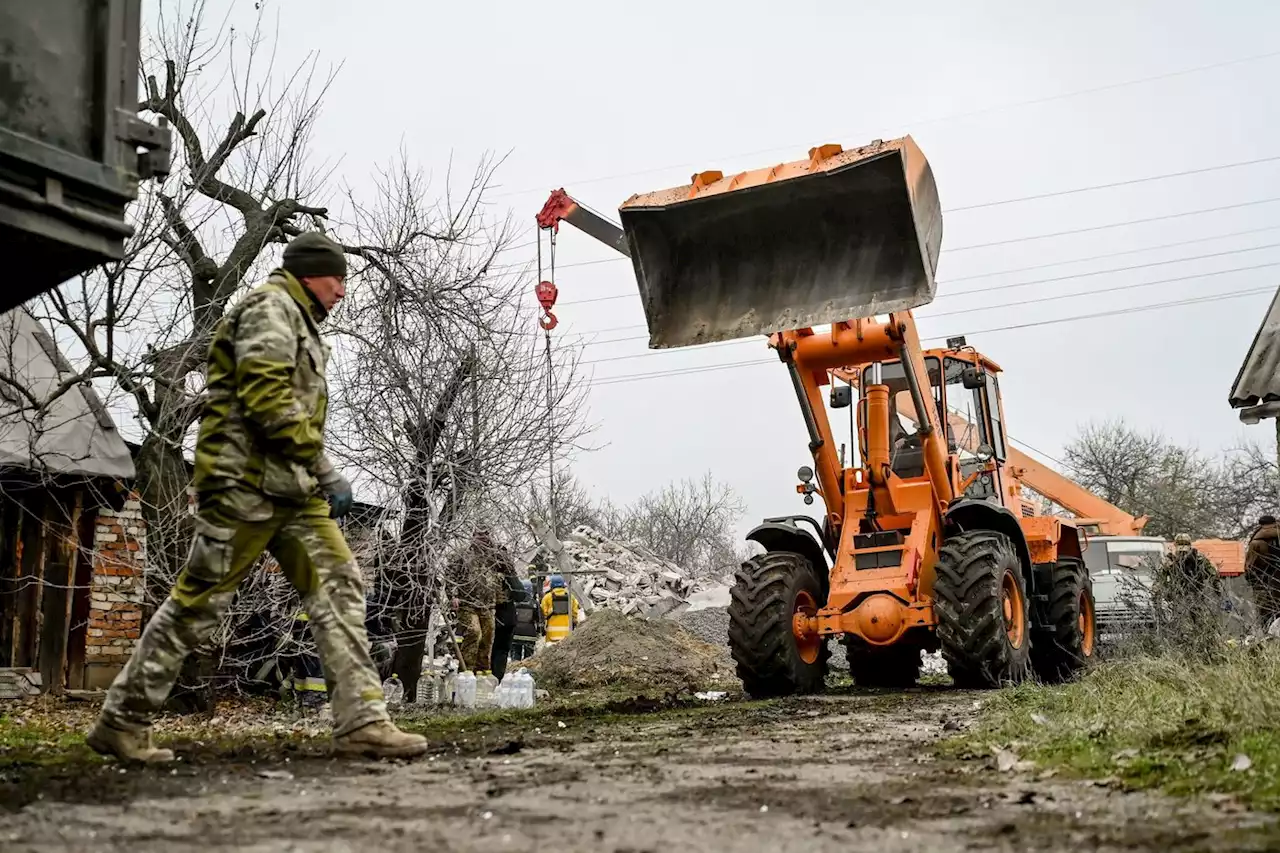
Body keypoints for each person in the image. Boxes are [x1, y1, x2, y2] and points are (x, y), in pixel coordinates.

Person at [86, 232, 427, 763]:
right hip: (244, 485)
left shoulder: (300, 320)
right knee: (198, 605)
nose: (342, 290)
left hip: (291, 492)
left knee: (340, 587)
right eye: (337, 277)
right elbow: (266, 396)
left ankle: (362, 720)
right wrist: (324, 465)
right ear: (311, 274)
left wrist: (309, 473)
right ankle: (121, 721)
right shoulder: (270, 310)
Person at [448, 530, 500, 673]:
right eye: (479, 535)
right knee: (474, 632)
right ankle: (467, 671)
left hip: (487, 605)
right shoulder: (462, 554)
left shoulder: (492, 556)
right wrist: (453, 595)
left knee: (488, 637)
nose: (483, 538)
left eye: (485, 535)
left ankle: (482, 671)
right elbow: (450, 576)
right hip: (467, 604)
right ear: (473, 536)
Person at [1155, 533, 1223, 641]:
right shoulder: (1199, 558)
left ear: (1175, 544)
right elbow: (1213, 575)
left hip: (1178, 597)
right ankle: (1203, 644)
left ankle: (1185, 645)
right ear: (1190, 544)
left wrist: (1158, 594)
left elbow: (1160, 580)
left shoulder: (1169, 560)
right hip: (1196, 595)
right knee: (1200, 623)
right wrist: (1218, 591)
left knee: (1181, 625)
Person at [490, 548, 529, 681]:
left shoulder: (491, 572)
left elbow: (520, 594)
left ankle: (493, 681)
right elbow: (521, 595)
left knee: (496, 651)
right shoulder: (502, 573)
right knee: (497, 651)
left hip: (501, 618)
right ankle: (494, 681)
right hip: (501, 617)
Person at [1246, 515, 1280, 631]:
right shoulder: (1274, 537)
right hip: (1272, 583)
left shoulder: (1256, 542)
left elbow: (1250, 569)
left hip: (1264, 584)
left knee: (1267, 618)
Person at [540, 575, 580, 644]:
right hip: (567, 634)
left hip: (551, 635)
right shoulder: (570, 596)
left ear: (551, 585)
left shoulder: (547, 597)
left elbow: (543, 613)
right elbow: (575, 613)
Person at [509, 579, 540, 662]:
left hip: (515, 633)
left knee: (515, 656)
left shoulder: (513, 602)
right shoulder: (534, 603)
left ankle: (514, 672)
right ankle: (526, 672)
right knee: (529, 659)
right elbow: (539, 619)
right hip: (530, 634)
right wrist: (539, 631)